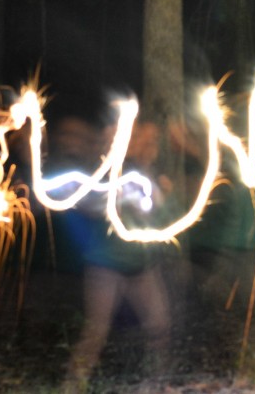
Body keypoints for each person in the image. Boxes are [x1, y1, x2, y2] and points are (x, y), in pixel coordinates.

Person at [60, 120, 173, 394]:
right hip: (105, 266)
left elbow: (156, 212)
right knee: (96, 333)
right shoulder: (107, 168)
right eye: (147, 140)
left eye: (155, 142)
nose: (151, 146)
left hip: (141, 266)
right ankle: (71, 387)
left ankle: (156, 383)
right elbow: (85, 202)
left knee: (159, 326)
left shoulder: (149, 175)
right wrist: (113, 199)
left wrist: (157, 196)